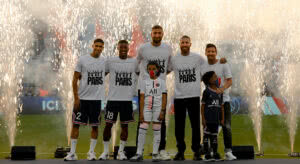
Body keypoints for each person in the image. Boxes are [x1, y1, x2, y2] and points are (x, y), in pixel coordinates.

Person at [64, 38, 106, 161]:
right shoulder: (83, 59)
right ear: (92, 45)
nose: (98, 48)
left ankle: (91, 153)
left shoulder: (105, 61)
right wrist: (76, 98)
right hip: (82, 99)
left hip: (96, 100)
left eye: (101, 47)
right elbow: (74, 80)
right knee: (76, 125)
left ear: (103, 48)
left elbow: (107, 72)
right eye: (96, 46)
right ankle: (72, 153)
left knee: (95, 126)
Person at [136, 25, 172, 160]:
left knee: (160, 121)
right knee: (142, 120)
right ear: (151, 34)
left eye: (159, 33)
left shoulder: (167, 48)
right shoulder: (143, 48)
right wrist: (146, 79)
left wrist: (159, 78)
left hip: (160, 89)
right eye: (155, 33)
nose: (157, 35)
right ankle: (139, 152)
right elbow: (136, 65)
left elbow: (169, 67)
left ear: (163, 34)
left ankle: (160, 150)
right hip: (144, 88)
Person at [99, 40, 139, 160]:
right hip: (112, 100)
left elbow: (141, 74)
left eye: (125, 47)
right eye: (121, 47)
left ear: (128, 49)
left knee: (125, 127)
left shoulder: (134, 62)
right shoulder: (110, 61)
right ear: (117, 48)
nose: (123, 49)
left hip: (127, 100)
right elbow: (101, 75)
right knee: (108, 125)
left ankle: (121, 152)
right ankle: (105, 152)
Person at [167, 36, 205, 160]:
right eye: (182, 42)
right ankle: (180, 151)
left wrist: (220, 62)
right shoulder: (174, 59)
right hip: (179, 97)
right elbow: (164, 71)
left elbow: (208, 69)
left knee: (195, 125)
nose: (184, 44)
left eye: (186, 42)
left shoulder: (198, 58)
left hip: (194, 96)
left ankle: (196, 151)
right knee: (179, 126)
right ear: (179, 44)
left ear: (190, 44)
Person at [201, 43, 236, 160]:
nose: (211, 53)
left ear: (216, 52)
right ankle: (208, 151)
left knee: (226, 126)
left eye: (213, 51)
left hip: (223, 101)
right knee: (209, 127)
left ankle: (228, 151)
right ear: (205, 52)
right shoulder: (202, 66)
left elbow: (229, 81)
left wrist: (221, 89)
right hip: (209, 103)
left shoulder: (223, 64)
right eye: (208, 51)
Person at [130, 61, 167, 162]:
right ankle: (139, 153)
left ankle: (155, 154)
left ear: (157, 70)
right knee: (142, 130)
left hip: (158, 108)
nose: (151, 71)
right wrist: (141, 113)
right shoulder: (144, 82)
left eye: (153, 69)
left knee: (157, 130)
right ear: (147, 70)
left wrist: (162, 111)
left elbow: (164, 98)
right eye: (149, 69)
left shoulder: (162, 82)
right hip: (146, 108)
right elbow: (141, 98)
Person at [201, 71, 224, 161]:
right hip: (208, 119)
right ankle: (207, 154)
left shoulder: (219, 92)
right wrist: (203, 119)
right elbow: (202, 107)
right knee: (206, 136)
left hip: (216, 119)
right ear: (209, 80)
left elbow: (221, 107)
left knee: (214, 137)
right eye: (214, 77)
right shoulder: (206, 92)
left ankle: (215, 153)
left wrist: (222, 118)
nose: (216, 78)